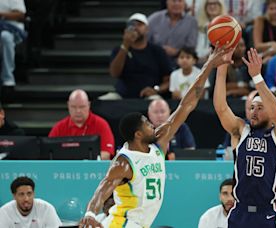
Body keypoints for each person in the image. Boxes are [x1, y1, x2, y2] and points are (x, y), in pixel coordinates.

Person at [79, 45, 235, 228]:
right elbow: (102, 189)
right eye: (146, 123)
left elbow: (187, 104)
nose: (152, 125)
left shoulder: (158, 142)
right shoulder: (124, 162)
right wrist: (90, 212)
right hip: (122, 224)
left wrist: (209, 65)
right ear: (138, 134)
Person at [214, 47, 276, 227]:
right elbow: (220, 108)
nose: (254, 112)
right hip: (239, 211)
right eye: (251, 108)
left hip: (266, 213)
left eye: (260, 107)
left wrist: (257, 77)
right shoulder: (240, 130)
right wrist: (221, 68)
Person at [106, 13, 172, 99]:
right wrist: (125, 46)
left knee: (156, 102)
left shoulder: (157, 51)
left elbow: (168, 79)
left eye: (140, 25)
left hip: (149, 95)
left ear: (147, 29)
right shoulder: (119, 49)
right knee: (104, 101)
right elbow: (114, 73)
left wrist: (156, 89)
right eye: (132, 25)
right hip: (122, 95)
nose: (135, 28)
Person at [49, 89, 115, 160]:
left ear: (89, 105)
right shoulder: (59, 127)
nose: (78, 111)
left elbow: (106, 154)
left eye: (82, 107)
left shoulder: (101, 124)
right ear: (68, 106)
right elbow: (49, 153)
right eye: (73, 107)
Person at [148, 0, 198, 64]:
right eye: (173, 1)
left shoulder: (192, 22)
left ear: (184, 3)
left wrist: (176, 51)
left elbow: (191, 46)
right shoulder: (154, 18)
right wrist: (160, 50)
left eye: (180, 1)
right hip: (154, 60)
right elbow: (145, 41)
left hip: (180, 63)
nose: (176, 3)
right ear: (167, 2)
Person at [0, 0, 26, 87]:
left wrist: (2, 15)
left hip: (12, 29)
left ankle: (8, 78)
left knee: (5, 37)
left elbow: (20, 14)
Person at [195, 0, 226, 65]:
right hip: (201, 60)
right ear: (205, 8)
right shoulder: (201, 26)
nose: (212, 6)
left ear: (221, 6)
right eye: (209, 4)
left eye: (215, 3)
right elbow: (199, 48)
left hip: (220, 59)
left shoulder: (226, 25)